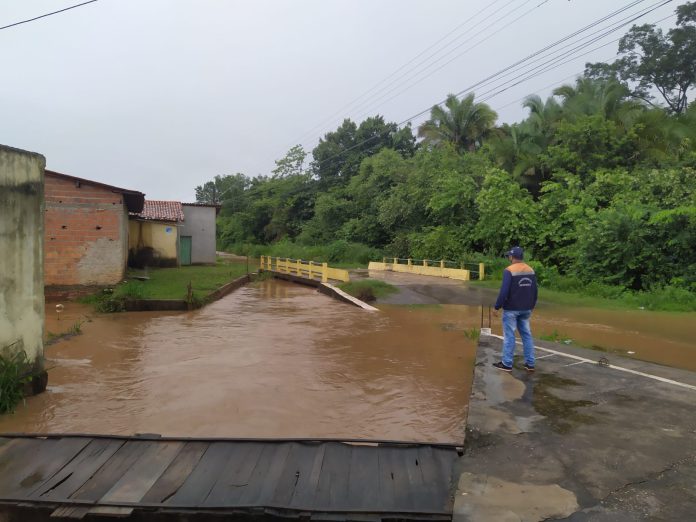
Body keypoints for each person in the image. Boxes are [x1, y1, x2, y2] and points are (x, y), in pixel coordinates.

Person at [492, 246, 538, 372]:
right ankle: (530, 363)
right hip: (526, 309)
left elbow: (504, 291)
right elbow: (535, 290)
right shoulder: (530, 270)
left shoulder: (509, 270)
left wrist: (497, 307)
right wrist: (532, 305)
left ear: (512, 257)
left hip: (511, 309)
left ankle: (507, 363)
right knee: (527, 335)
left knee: (509, 336)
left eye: (509, 256)